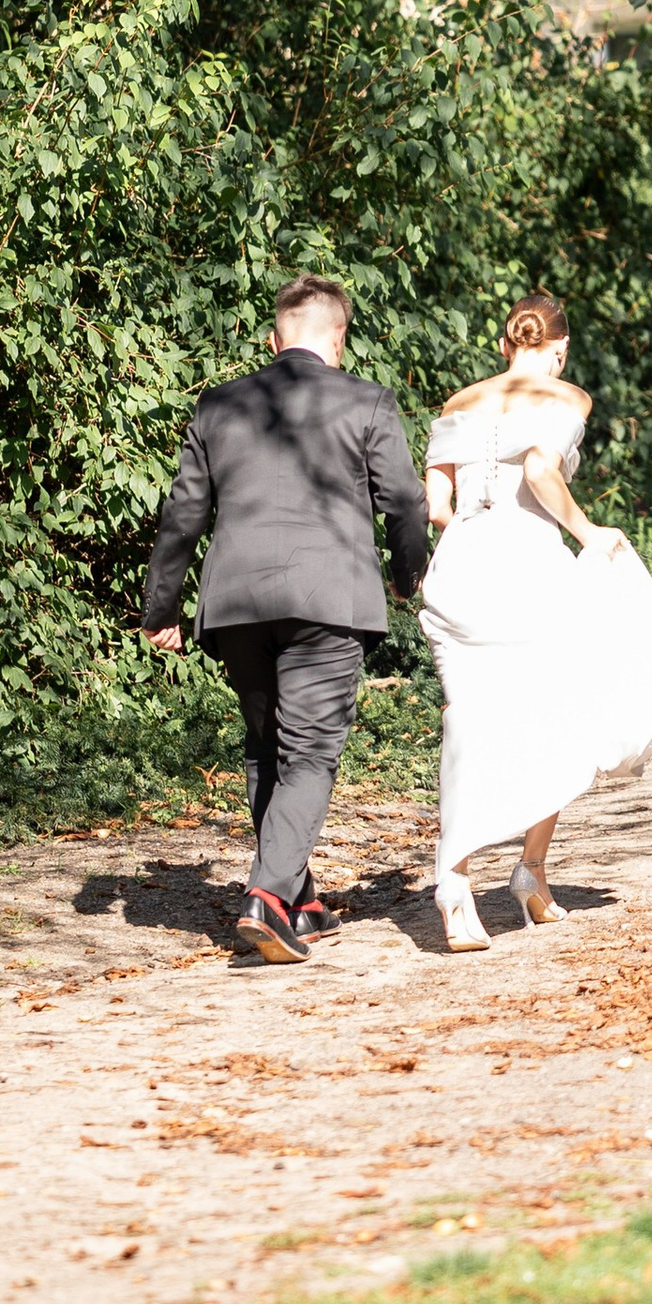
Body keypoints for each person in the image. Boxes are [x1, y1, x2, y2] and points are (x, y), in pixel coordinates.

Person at [143, 275, 431, 966]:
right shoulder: (367, 401)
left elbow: (183, 514)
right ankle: (266, 897)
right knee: (309, 754)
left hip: (236, 603)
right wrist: (404, 576)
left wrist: (162, 607)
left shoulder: (218, 404)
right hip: (329, 599)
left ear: (275, 340)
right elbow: (406, 501)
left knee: (268, 745)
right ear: (339, 339)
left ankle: (300, 903)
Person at [418, 290, 652, 952]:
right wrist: (586, 529)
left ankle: (462, 886)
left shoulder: (458, 404)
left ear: (506, 342)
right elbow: (541, 468)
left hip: (457, 572)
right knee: (557, 714)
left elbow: (435, 507)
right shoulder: (567, 399)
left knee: (467, 722)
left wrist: (472, 546)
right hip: (527, 569)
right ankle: (528, 869)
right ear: (560, 349)